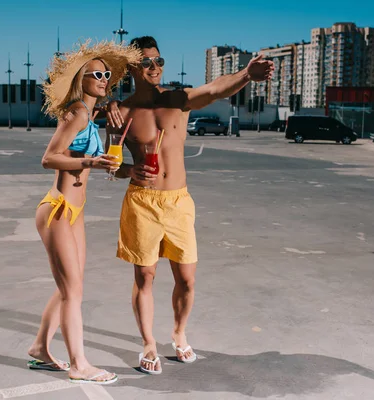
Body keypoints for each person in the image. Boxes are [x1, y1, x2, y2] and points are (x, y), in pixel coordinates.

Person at [106, 36, 274, 374]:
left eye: (159, 60)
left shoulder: (178, 100)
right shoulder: (121, 112)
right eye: (147, 62)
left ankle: (179, 333)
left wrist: (246, 74)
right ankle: (148, 344)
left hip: (178, 201)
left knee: (187, 280)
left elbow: (215, 89)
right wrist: (127, 168)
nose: (155, 67)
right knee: (146, 278)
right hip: (142, 202)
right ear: (133, 68)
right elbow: (110, 166)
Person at [28, 40, 140, 384]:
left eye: (107, 74)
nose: (104, 79)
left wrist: (124, 167)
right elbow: (49, 158)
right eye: (97, 74)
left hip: (75, 212)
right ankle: (79, 363)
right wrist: (89, 160)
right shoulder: (76, 111)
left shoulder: (91, 115)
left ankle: (39, 349)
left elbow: (105, 165)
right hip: (59, 209)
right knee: (73, 290)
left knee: (69, 287)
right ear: (81, 79)